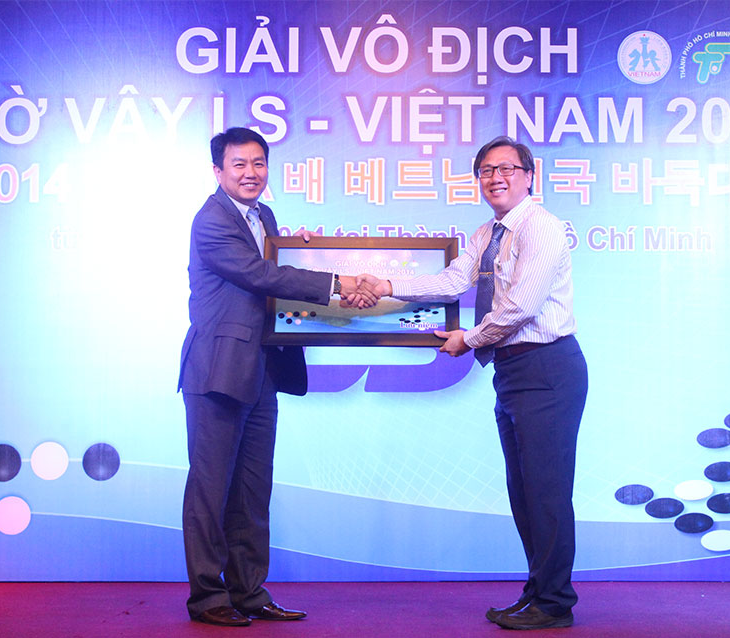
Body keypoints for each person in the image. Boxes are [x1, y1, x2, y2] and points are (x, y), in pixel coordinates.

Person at [357, 136, 588, 630]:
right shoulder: (488, 232)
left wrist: (470, 338)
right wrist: (387, 286)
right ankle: (538, 591)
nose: (495, 178)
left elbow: (521, 307)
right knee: (524, 491)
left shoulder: (542, 228)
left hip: (547, 368)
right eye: (486, 170)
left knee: (546, 491)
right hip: (513, 370)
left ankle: (555, 602)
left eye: (507, 169)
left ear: (529, 176)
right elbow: (452, 281)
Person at [177, 127, 372, 627]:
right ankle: (208, 598)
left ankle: (249, 592)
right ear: (218, 170)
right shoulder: (212, 220)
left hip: (262, 368)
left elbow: (276, 270)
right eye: (239, 164)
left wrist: (301, 254)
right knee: (210, 489)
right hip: (218, 370)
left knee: (252, 488)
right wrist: (337, 283)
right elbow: (260, 275)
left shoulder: (263, 216)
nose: (251, 173)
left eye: (259, 163)